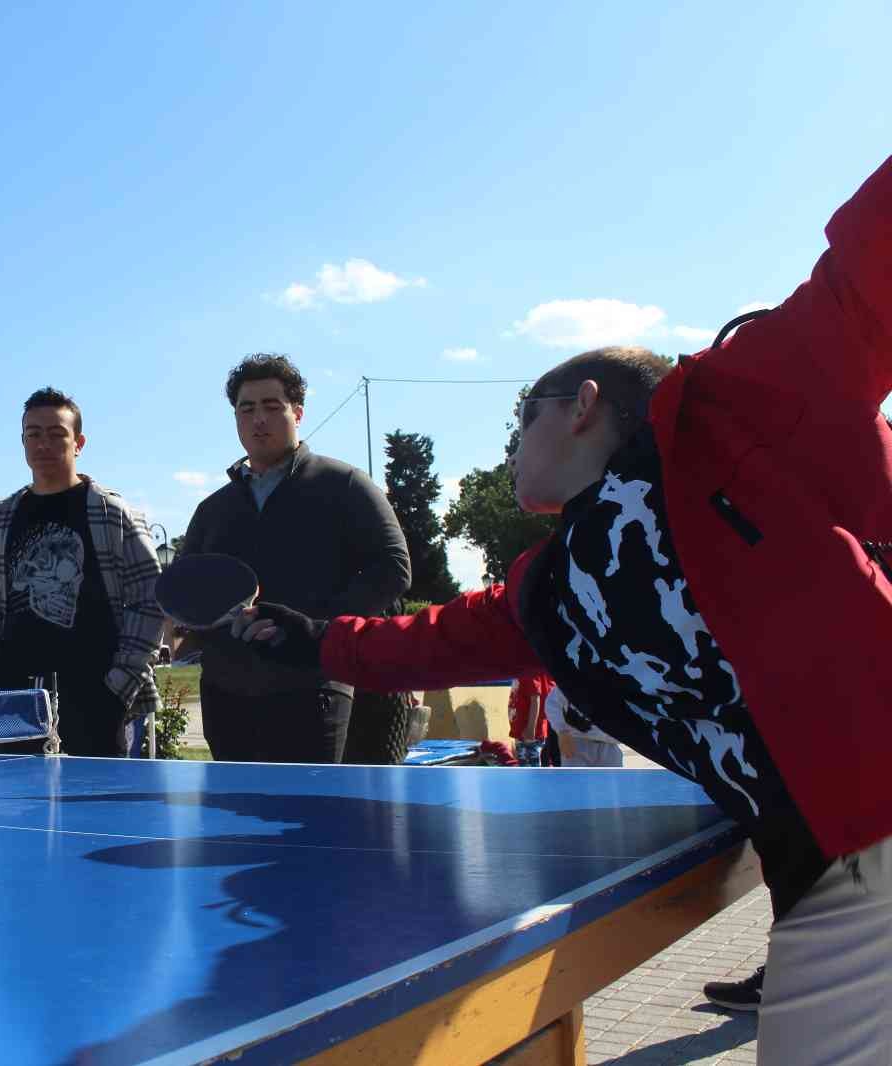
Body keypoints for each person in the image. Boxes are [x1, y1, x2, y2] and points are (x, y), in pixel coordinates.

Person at [231, 152, 892, 1066]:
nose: (510, 443)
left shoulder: (729, 408)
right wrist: (316, 642)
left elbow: (864, 280)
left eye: (522, 418)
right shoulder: (555, 588)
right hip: (827, 866)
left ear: (582, 406)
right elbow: (431, 643)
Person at [179, 354, 410, 764]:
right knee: (236, 823)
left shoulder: (346, 484)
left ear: (297, 412)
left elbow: (393, 567)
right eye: (246, 409)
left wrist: (316, 631)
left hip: (314, 688)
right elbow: (184, 589)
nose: (258, 419)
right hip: (225, 695)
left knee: (313, 821)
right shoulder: (212, 508)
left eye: (272, 406)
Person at [0, 387, 163, 756]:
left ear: (79, 442)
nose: (44, 444)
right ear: (23, 442)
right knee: (16, 811)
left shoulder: (111, 512)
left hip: (95, 696)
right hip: (15, 698)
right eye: (33, 434)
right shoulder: (3, 516)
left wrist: (119, 685)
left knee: (97, 810)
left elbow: (149, 601)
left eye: (56, 433)